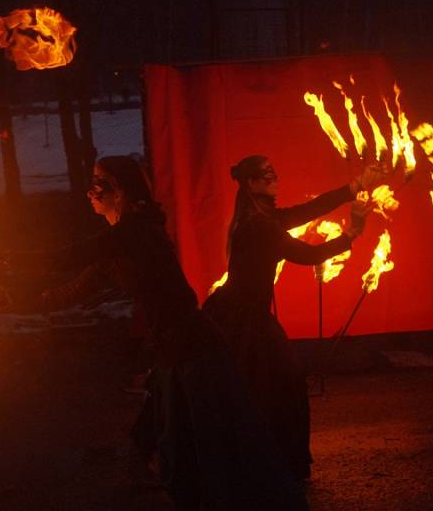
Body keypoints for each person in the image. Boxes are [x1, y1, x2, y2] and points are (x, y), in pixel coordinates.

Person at [42, 156, 306, 510]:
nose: (90, 191)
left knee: (208, 444)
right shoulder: (122, 240)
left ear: (119, 190)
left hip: (194, 347)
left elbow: (67, 257)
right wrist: (20, 297)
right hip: (175, 349)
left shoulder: (134, 232)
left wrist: (3, 262)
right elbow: (74, 288)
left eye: (99, 181)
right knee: (181, 443)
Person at [202, 155, 386, 482]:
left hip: (240, 314)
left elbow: (307, 211)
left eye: (275, 172)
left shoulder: (259, 216)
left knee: (257, 388)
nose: (275, 178)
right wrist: (352, 233)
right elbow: (307, 255)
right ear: (251, 184)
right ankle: (269, 467)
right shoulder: (259, 225)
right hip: (242, 319)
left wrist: (355, 187)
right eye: (267, 175)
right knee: (276, 387)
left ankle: (258, 463)